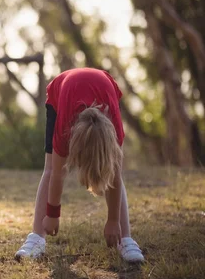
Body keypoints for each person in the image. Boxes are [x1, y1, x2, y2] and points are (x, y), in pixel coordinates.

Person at [15, 67, 144, 263]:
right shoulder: (64, 126)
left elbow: (115, 177)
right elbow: (57, 173)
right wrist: (52, 215)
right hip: (62, 92)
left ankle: (125, 239)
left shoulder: (114, 132)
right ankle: (36, 239)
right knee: (49, 168)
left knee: (115, 172)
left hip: (104, 88)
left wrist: (113, 221)